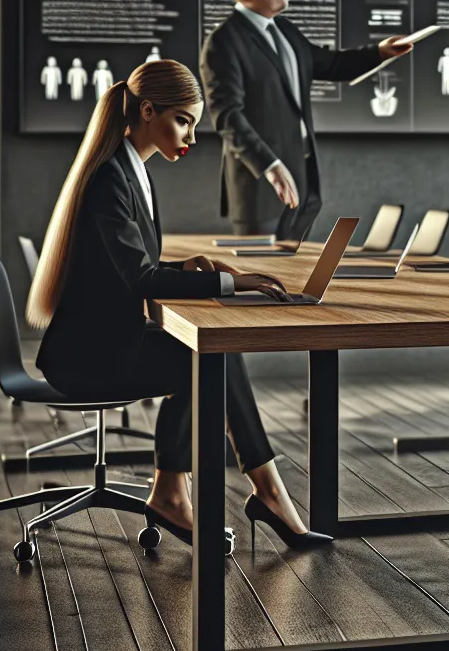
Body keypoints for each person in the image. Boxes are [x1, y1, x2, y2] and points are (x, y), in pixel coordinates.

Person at [29, 59, 333, 552]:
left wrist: (185, 264)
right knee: (205, 356)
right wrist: (232, 284)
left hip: (105, 340)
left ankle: (200, 491)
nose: (191, 135)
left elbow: (132, 262)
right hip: (86, 357)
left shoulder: (132, 171)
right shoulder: (113, 179)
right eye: (183, 121)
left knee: (210, 354)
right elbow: (140, 278)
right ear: (147, 111)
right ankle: (233, 492)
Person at [200, 0, 415, 242]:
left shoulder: (285, 30)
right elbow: (227, 117)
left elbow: (331, 64)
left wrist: (380, 52)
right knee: (262, 281)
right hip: (263, 186)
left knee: (295, 279)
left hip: (303, 180)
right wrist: (270, 166)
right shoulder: (223, 41)